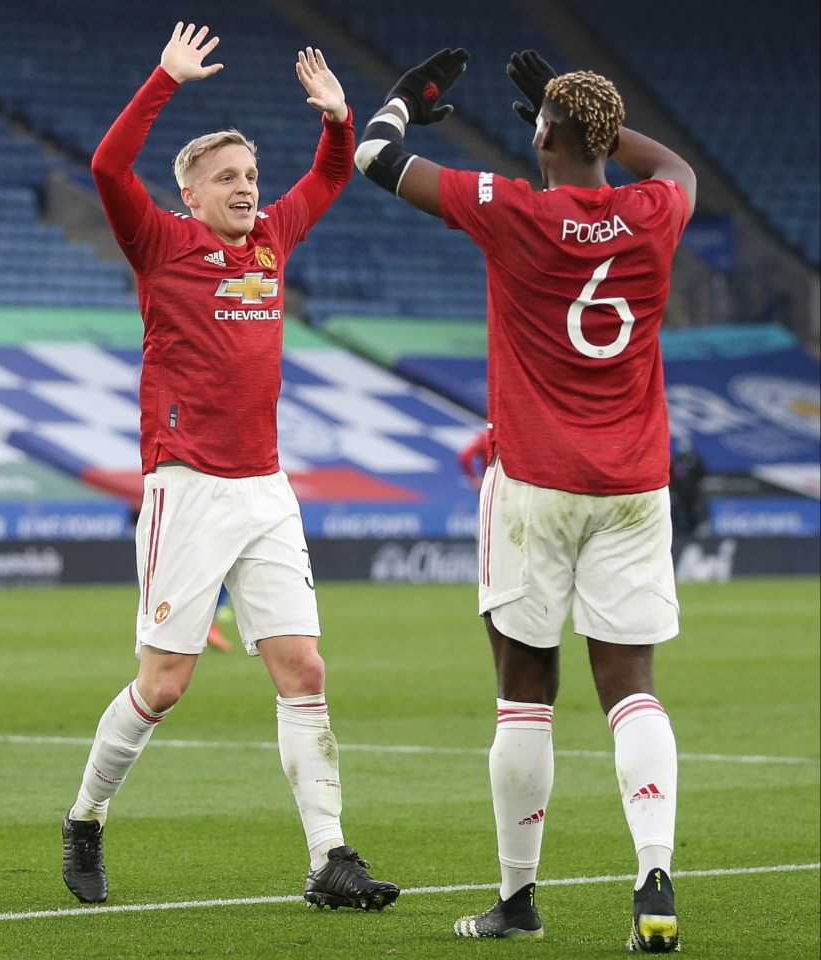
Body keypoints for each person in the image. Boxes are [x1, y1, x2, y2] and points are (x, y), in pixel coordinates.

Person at [354, 47, 695, 952]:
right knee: (630, 690)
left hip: (535, 485)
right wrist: (588, 118)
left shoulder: (510, 210)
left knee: (523, 696)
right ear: (601, 139)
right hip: (632, 486)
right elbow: (675, 166)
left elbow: (374, 160)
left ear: (539, 137)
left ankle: (517, 899)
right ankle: (653, 877)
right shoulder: (653, 211)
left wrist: (403, 102)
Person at [61, 21, 399, 914]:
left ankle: (330, 858)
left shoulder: (272, 242)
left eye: (250, 176)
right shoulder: (160, 244)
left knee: (305, 670)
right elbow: (105, 168)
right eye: (228, 178)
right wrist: (164, 78)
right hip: (189, 487)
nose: (248, 189)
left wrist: (336, 119)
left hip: (265, 488)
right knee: (164, 685)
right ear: (189, 192)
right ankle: (86, 816)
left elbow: (329, 175)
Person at [669, 435, 708, 535]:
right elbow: (669, 476)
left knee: (694, 516)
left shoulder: (695, 460)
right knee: (677, 516)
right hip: (678, 495)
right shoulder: (674, 460)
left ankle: (693, 533)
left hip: (693, 495)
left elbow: (703, 475)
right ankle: (678, 535)